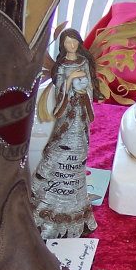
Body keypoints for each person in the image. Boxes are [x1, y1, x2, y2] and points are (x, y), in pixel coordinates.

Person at [30, 29, 99, 239]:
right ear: (63, 45)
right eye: (67, 43)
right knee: (59, 148)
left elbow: (89, 86)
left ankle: (74, 201)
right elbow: (60, 88)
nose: (71, 46)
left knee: (78, 148)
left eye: (74, 42)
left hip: (80, 113)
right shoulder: (61, 66)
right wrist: (70, 81)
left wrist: (84, 89)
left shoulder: (84, 62)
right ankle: (50, 203)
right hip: (67, 114)